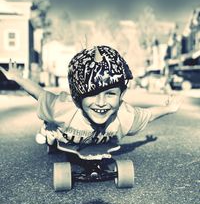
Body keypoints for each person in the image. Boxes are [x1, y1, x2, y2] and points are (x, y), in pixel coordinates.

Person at [0, 45, 182, 146]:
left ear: (121, 95)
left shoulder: (124, 116)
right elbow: (39, 94)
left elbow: (148, 115)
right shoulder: (62, 108)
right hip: (63, 133)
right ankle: (48, 129)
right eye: (92, 94)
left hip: (94, 143)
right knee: (49, 135)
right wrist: (18, 78)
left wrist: (168, 108)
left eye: (110, 94)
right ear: (77, 96)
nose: (101, 103)